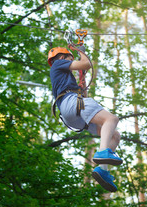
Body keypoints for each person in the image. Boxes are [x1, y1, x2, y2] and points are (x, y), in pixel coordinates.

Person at [48, 46, 122, 192]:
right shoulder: (58, 64)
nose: (73, 62)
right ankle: (102, 153)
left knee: (115, 135)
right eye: (71, 59)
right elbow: (86, 63)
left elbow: (85, 99)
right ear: (62, 58)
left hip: (72, 114)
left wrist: (82, 80)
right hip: (70, 102)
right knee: (112, 119)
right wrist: (80, 51)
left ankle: (102, 170)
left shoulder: (64, 78)